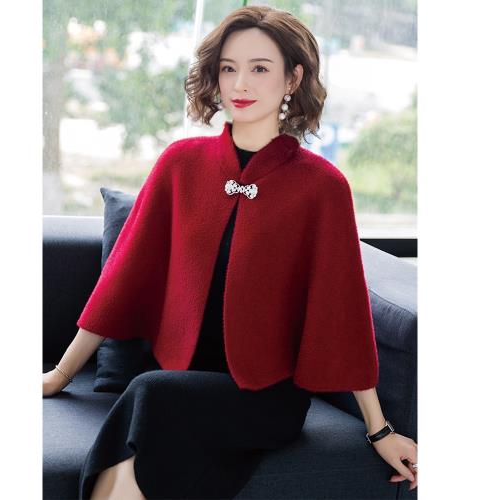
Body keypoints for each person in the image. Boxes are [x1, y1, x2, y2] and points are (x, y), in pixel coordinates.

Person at [43, 5, 418, 499]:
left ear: (293, 78)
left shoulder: (322, 188)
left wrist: (380, 429)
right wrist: (61, 374)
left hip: (263, 398)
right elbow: (122, 279)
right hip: (177, 379)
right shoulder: (180, 164)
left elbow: (341, 313)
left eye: (260, 68)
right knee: (153, 400)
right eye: (228, 68)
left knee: (149, 395)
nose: (240, 83)